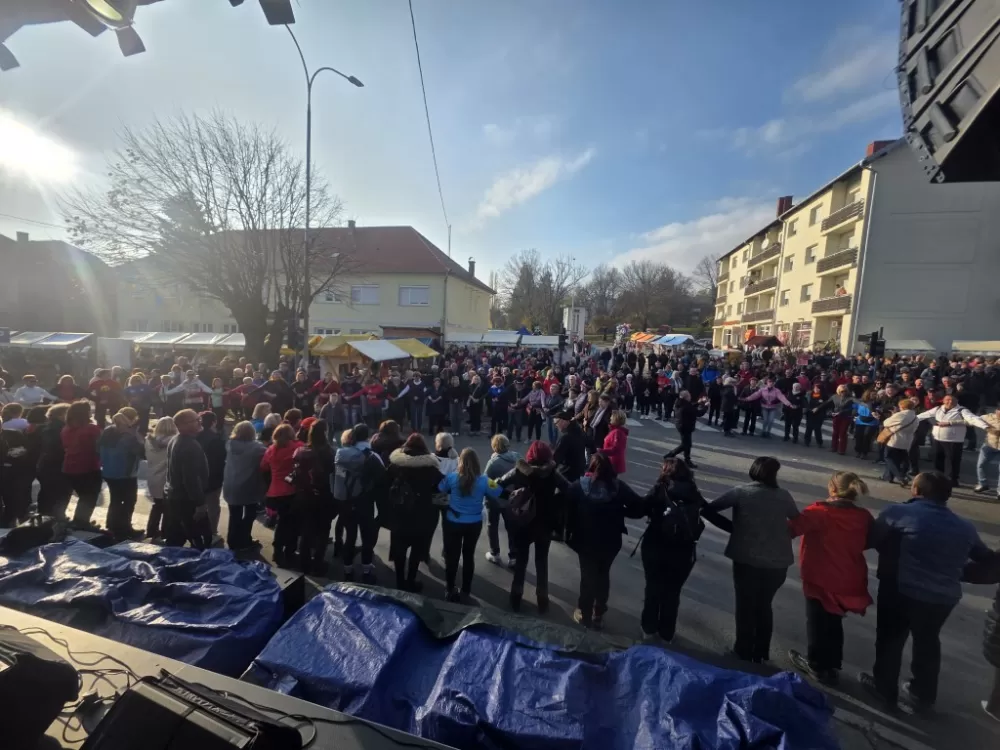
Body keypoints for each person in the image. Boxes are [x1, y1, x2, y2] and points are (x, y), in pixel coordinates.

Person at [861, 471, 996, 711]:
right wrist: (958, 571)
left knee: (890, 639)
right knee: (927, 642)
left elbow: (871, 540)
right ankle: (922, 694)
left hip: (901, 589)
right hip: (943, 598)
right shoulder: (964, 527)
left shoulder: (898, 513)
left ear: (916, 491)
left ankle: (884, 689)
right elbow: (985, 558)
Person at [706, 457, 800, 664]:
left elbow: (709, 509)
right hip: (778, 561)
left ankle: (743, 650)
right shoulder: (784, 496)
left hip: (746, 558)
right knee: (764, 605)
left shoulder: (741, 492)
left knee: (746, 605)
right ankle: (761, 652)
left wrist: (733, 528)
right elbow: (796, 519)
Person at [787, 472, 874, 685]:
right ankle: (833, 663)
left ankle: (817, 665)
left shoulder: (819, 512)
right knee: (834, 620)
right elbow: (869, 540)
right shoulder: (863, 516)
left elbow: (791, 530)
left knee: (817, 621)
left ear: (832, 489)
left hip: (820, 575)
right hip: (849, 575)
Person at [640, 457, 730, 643]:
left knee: (653, 589)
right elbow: (713, 516)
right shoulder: (693, 493)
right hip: (683, 551)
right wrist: (739, 529)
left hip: (655, 545)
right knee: (672, 593)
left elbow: (639, 507)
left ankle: (648, 629)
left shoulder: (661, 489)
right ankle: (667, 633)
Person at [566, 452, 643, 629]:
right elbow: (639, 507)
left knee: (587, 577)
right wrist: (621, 512)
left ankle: (584, 613)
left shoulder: (579, 487)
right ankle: (598, 611)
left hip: (585, 541)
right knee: (603, 574)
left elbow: (567, 507)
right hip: (611, 541)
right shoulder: (618, 487)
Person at [497, 440, 569, 613]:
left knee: (521, 561)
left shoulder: (520, 471)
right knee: (541, 562)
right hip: (545, 523)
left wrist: (511, 497)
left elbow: (497, 483)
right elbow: (569, 489)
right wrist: (555, 503)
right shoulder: (553, 474)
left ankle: (516, 596)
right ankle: (542, 599)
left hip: (523, 522)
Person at [438, 447, 502, 602]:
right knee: (468, 556)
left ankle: (449, 588)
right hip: (474, 523)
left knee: (452, 557)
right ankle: (465, 589)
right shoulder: (485, 481)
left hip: (453, 522)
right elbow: (499, 491)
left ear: (460, 461)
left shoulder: (452, 477)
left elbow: (439, 489)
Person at [386, 433, 443, 591]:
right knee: (416, 552)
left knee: (399, 550)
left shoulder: (396, 465)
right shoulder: (431, 468)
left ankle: (399, 581)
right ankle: (410, 581)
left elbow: (384, 486)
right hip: (422, 517)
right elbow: (441, 494)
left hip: (399, 516)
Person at [334, 423, 387, 582]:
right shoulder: (372, 456)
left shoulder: (340, 454)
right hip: (365, 501)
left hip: (345, 500)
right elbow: (381, 482)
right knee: (367, 537)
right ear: (368, 436)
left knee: (350, 536)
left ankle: (348, 569)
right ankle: (366, 569)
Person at [291, 419, 337, 574]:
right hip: (324, 496)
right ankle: (318, 562)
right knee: (323, 531)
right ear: (325, 433)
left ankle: (304, 562)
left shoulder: (300, 451)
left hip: (304, 495)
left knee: (306, 529)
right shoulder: (330, 453)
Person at [164, 409, 212, 549]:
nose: (199, 422)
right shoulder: (189, 445)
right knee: (201, 540)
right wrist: (200, 504)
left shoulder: (176, 440)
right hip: (187, 500)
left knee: (176, 538)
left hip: (176, 496)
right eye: (196, 420)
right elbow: (190, 479)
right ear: (183, 425)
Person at [917, 394, 988, 486]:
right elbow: (924, 415)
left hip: (954, 440)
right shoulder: (938, 408)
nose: (949, 402)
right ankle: (938, 478)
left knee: (952, 461)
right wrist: (911, 419)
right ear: (943, 401)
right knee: (938, 458)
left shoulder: (961, 410)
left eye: (952, 400)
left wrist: (985, 426)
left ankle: (952, 480)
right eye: (947, 400)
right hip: (938, 439)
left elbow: (973, 419)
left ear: (956, 401)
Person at [98, 409, 145, 540]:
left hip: (108, 471)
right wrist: (138, 436)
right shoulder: (129, 435)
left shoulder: (108, 431)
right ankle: (125, 529)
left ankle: (112, 526)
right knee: (129, 501)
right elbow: (142, 452)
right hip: (125, 473)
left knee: (115, 500)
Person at [261, 423, 304, 566]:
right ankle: (289, 552)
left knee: (282, 522)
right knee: (293, 524)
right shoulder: (296, 447)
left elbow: (264, 467)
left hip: (275, 492)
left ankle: (278, 550)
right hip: (291, 491)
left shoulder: (271, 450)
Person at [222, 421, 267, 552]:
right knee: (250, 514)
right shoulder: (257, 448)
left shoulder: (229, 444)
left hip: (230, 485)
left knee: (234, 515)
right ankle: (244, 539)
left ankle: (232, 541)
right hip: (248, 486)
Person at [61, 400, 104, 530]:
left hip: (69, 465)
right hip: (88, 466)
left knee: (83, 495)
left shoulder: (66, 428)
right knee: (89, 496)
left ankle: (79, 521)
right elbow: (100, 445)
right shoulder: (91, 429)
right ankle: (81, 522)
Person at [484, 433, 519, 567]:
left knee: (492, 525)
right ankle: (513, 556)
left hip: (495, 500)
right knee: (511, 527)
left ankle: (495, 553)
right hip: (512, 498)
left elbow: (486, 481)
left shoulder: (493, 463)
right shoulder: (517, 457)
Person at [36, 403, 71, 519]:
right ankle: (58, 518)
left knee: (46, 492)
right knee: (62, 493)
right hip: (59, 465)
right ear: (62, 415)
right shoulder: (64, 429)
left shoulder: (43, 428)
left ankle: (42, 517)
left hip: (44, 464)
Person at [196, 410, 227, 539]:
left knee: (198, 506)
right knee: (213, 507)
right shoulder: (216, 439)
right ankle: (212, 532)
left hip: (196, 477)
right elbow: (220, 461)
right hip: (213, 479)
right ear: (213, 422)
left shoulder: (194, 436)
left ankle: (197, 531)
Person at [144, 416, 176, 540]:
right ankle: (166, 532)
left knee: (157, 505)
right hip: (166, 478)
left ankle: (151, 530)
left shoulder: (149, 441)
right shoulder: (173, 442)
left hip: (153, 477)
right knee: (168, 509)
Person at [880, 399, 920, 486]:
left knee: (889, 458)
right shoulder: (915, 417)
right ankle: (888, 476)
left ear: (902, 406)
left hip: (895, 439)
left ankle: (900, 476)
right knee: (899, 459)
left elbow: (886, 423)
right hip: (907, 441)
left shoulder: (900, 415)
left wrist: (893, 415)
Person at [666, 391, 707, 468]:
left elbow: (690, 407)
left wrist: (698, 403)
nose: (690, 397)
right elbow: (699, 413)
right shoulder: (686, 406)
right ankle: (671, 455)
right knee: (685, 445)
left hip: (681, 425)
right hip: (685, 426)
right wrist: (706, 406)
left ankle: (685, 459)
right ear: (686, 397)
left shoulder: (679, 402)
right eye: (689, 396)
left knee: (687, 444)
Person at [975, 404, 1000, 498]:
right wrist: (951, 422)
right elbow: (973, 420)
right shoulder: (988, 417)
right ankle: (982, 483)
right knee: (980, 465)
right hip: (989, 445)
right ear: (996, 411)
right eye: (999, 411)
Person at [602, 410, 629, 475]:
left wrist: (601, 451)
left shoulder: (617, 432)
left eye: (612, 417)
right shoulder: (615, 430)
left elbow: (615, 449)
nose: (610, 418)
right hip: (610, 460)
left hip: (613, 462)